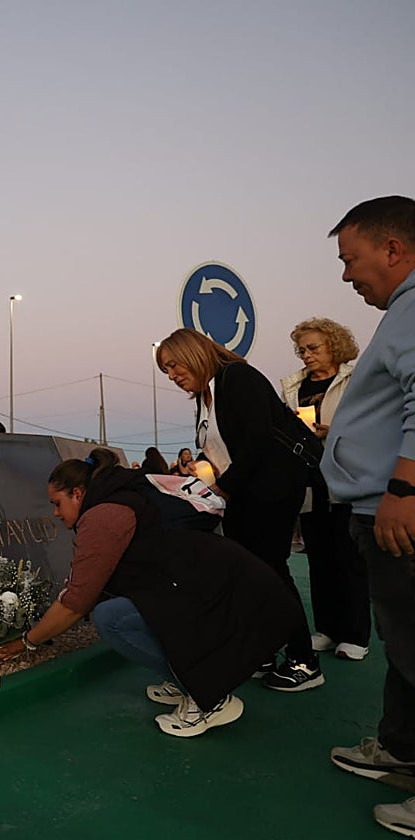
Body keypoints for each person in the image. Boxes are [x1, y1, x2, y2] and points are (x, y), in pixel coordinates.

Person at [0, 448, 303, 738]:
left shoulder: (103, 516)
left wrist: (26, 642)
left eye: (57, 503)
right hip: (207, 584)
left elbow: (77, 602)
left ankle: (209, 697)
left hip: (214, 590)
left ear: (77, 493)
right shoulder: (118, 496)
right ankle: (187, 679)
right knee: (118, 609)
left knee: (110, 619)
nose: (56, 514)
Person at [317, 196, 415, 837]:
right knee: (404, 645)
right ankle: (403, 747)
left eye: (352, 259)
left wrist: (403, 490)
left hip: (396, 508)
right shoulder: (401, 311)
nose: (348, 275)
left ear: (393, 249)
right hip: (379, 503)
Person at [155, 327, 325, 691]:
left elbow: (259, 439)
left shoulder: (237, 378)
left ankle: (304, 660)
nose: (171, 375)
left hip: (271, 491)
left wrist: (223, 486)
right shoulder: (205, 396)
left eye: (173, 365)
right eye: (165, 370)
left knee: (270, 572)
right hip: (243, 495)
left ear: (194, 353)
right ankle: (263, 650)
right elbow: (217, 449)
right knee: (247, 574)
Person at [280, 317, 370, 661]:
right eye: (302, 349)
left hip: (346, 478)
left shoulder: (353, 380)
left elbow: (368, 425)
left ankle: (356, 635)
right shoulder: (292, 387)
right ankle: (329, 629)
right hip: (308, 482)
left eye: (313, 347)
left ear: (334, 345)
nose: (306, 355)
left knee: (348, 558)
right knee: (319, 559)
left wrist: (332, 431)